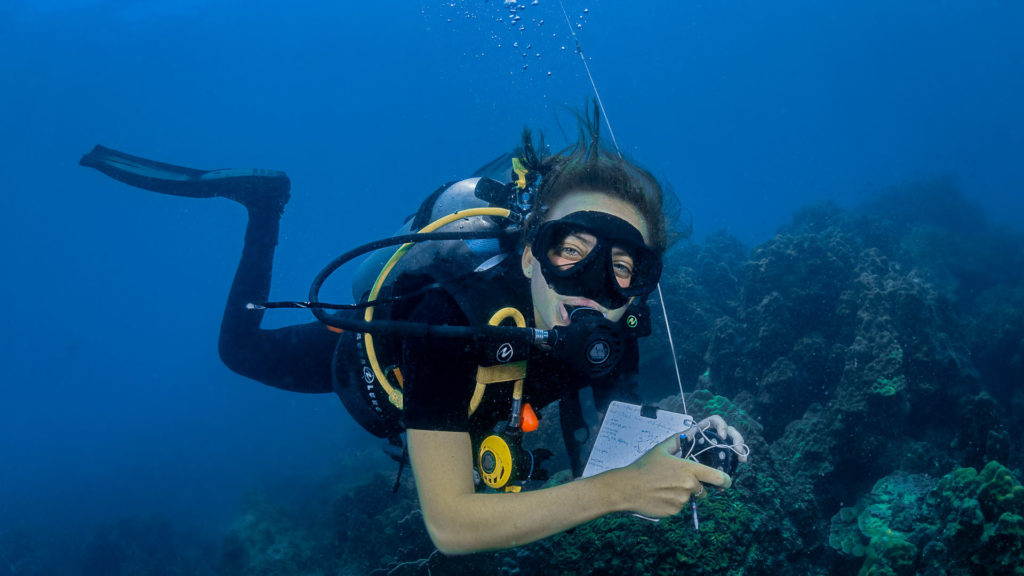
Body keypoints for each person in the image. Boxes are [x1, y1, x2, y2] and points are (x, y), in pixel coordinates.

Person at [80, 111, 746, 554]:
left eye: (623, 266)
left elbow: (611, 442)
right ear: (526, 253)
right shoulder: (450, 313)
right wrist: (623, 490)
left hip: (473, 406)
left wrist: (685, 446)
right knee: (240, 351)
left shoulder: (614, 326)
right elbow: (451, 523)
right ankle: (264, 206)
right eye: (570, 249)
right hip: (365, 372)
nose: (591, 286)